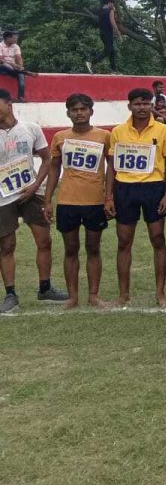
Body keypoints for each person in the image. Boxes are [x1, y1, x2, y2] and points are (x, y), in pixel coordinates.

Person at [106, 87, 166, 306]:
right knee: (124, 241)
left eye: (146, 103)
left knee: (158, 238)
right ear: (129, 106)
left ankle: (160, 293)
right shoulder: (118, 131)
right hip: (125, 188)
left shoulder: (163, 130)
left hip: (153, 188)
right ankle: (123, 295)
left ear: (152, 105)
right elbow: (112, 166)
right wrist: (108, 196)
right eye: (137, 104)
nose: (142, 108)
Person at [0, 88, 68, 315]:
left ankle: (45, 288)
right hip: (3, 197)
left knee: (44, 241)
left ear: (9, 104)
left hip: (32, 192)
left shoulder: (31, 128)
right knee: (6, 246)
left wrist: (35, 185)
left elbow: (47, 159)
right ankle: (10, 294)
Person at [43, 94, 112, 308]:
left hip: (95, 201)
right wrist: (47, 200)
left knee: (93, 248)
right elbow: (54, 169)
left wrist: (109, 197)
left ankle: (93, 295)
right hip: (67, 201)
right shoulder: (60, 137)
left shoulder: (104, 136)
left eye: (83, 109)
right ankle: (73, 297)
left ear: (91, 111)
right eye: (75, 109)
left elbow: (112, 168)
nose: (79, 113)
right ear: (68, 113)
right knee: (70, 249)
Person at [89, 0, 122, 72]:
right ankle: (92, 63)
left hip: (102, 33)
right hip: (108, 34)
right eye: (112, 3)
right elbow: (112, 22)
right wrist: (118, 33)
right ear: (109, 3)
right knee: (108, 50)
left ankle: (114, 70)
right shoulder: (110, 11)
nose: (113, 5)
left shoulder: (100, 11)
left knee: (112, 51)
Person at [0, 32, 27, 102]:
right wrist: (12, 64)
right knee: (5, 66)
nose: (15, 39)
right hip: (3, 67)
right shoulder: (0, 46)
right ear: (7, 38)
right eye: (13, 38)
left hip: (13, 68)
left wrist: (20, 66)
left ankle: (20, 97)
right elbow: (1, 60)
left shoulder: (16, 46)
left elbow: (19, 58)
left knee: (21, 75)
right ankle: (17, 71)